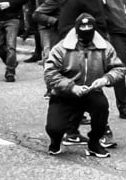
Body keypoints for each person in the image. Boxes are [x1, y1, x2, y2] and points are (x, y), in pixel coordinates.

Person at [44, 12, 120, 157]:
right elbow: (49, 73)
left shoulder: (105, 47)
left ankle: (94, 143)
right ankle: (55, 140)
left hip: (91, 90)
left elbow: (118, 68)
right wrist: (71, 87)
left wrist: (106, 79)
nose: (86, 40)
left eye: (89, 35)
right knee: (54, 127)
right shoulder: (61, 48)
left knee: (101, 107)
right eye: (82, 34)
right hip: (65, 93)